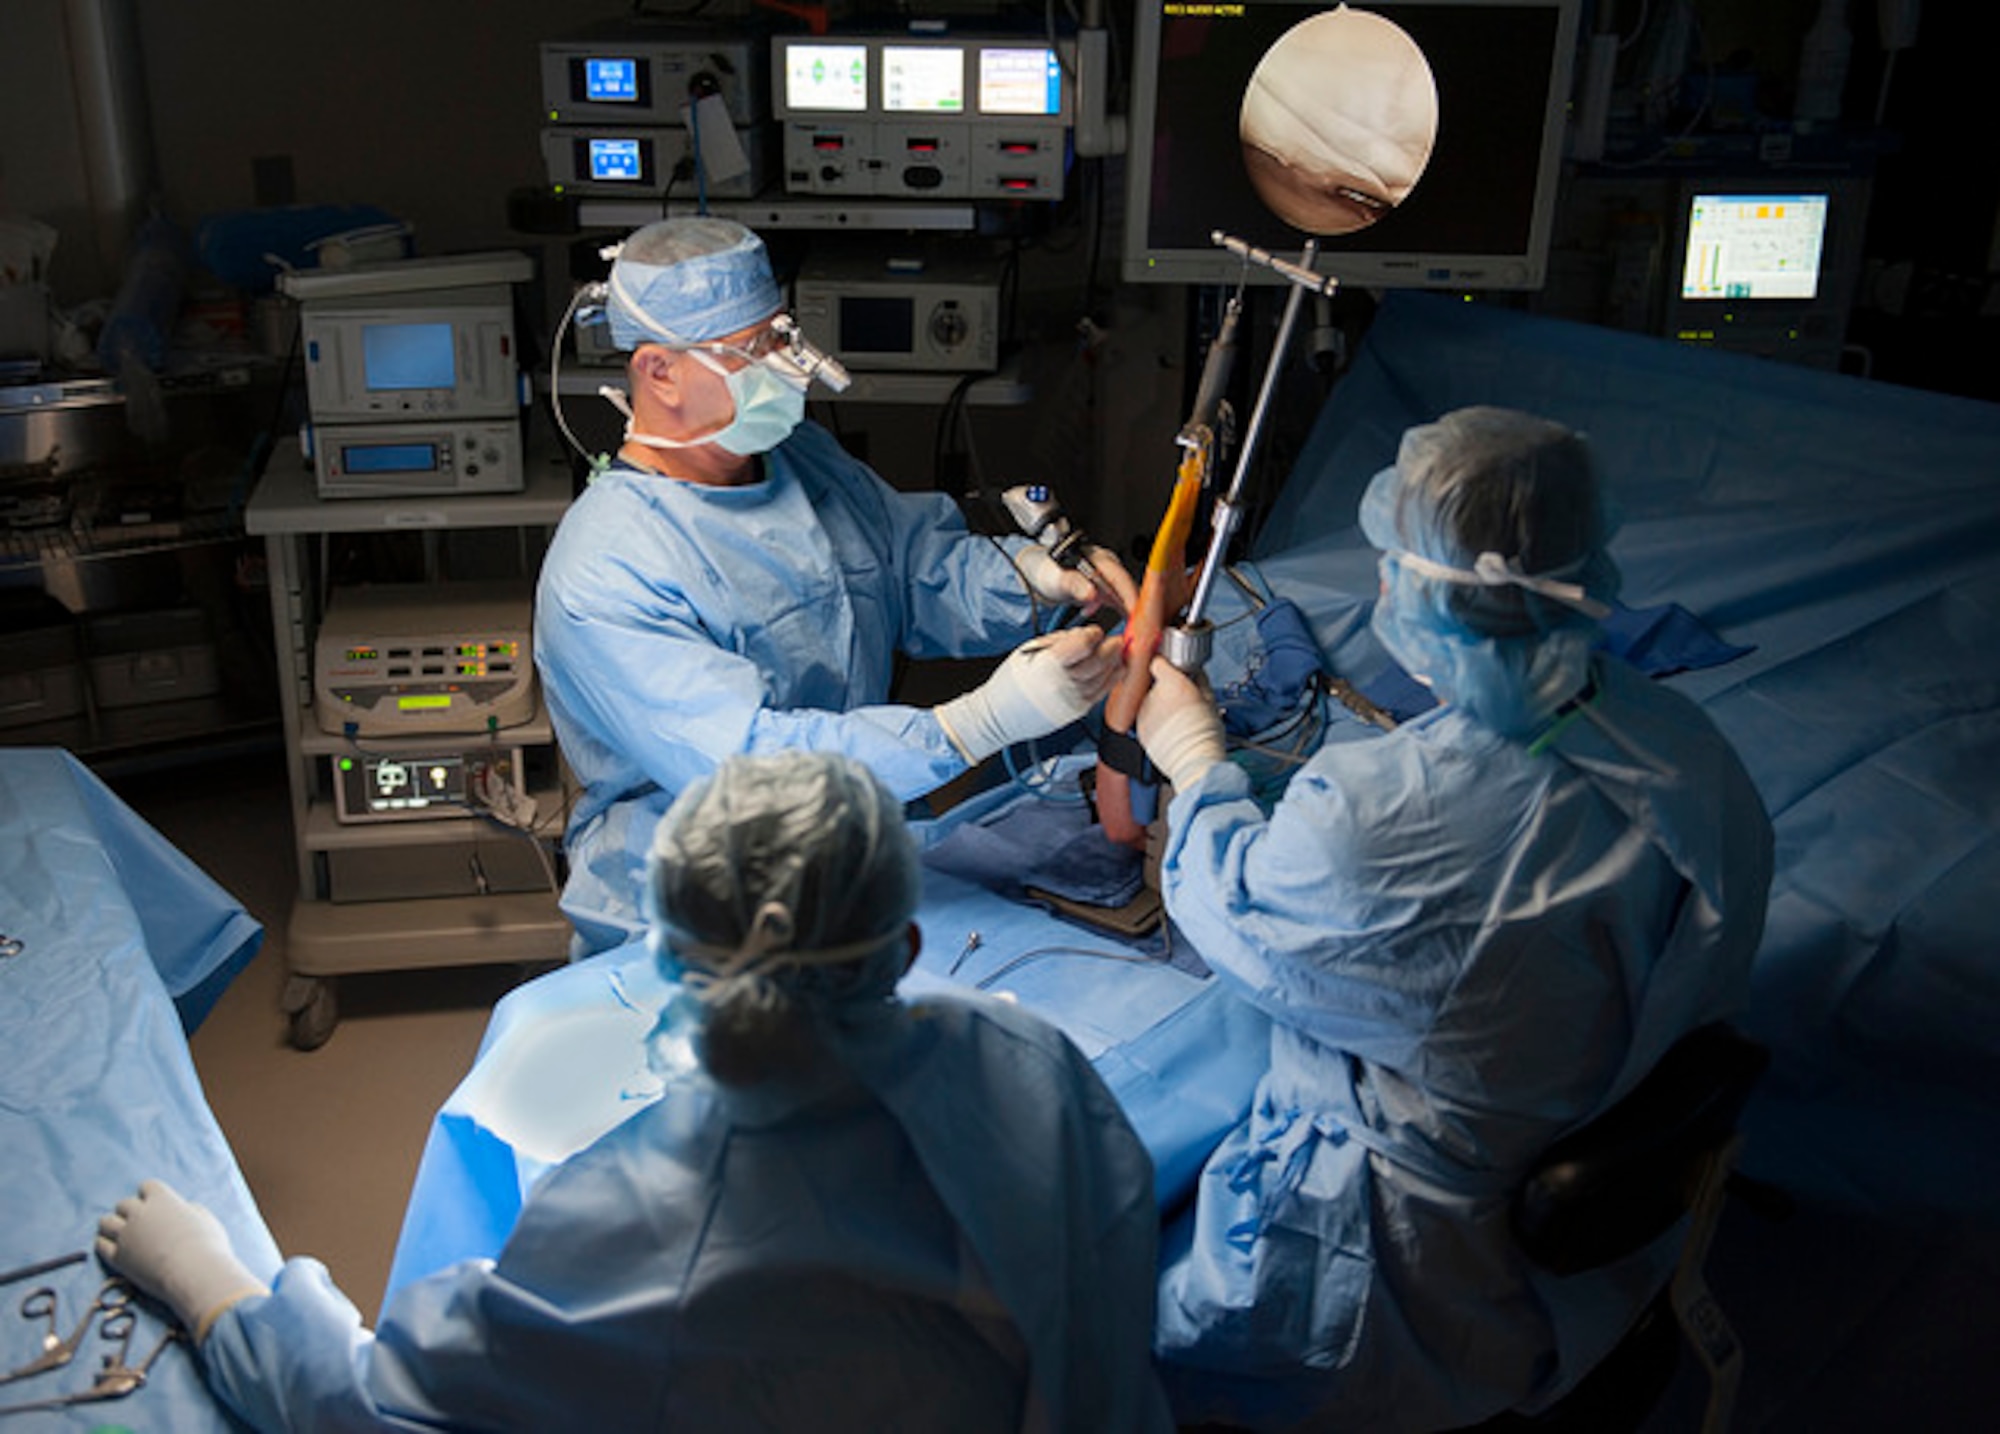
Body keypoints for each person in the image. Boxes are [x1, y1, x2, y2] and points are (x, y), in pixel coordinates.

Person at [98, 749, 1175, 1433]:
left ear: (670, 954)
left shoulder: (648, 1227)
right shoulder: (1029, 1060)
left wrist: (220, 1295)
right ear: (903, 943)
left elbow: (379, 1409)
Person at [1130, 406, 1775, 1431]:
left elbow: (1229, 907)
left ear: (1420, 589)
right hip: (1599, 1243)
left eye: (1389, 562)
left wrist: (1195, 764)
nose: (1377, 582)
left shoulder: (1378, 815)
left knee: (1080, 1307)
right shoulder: (1679, 743)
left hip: (1402, 1293)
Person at [536, 216, 1134, 958]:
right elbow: (748, 766)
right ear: (659, 371)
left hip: (849, 856)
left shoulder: (800, 461)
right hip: (699, 913)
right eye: (754, 352)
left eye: (783, 337)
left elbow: (914, 571)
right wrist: (971, 726)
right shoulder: (608, 568)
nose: (788, 370)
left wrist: (1037, 580)